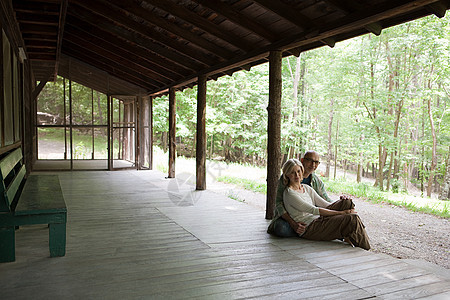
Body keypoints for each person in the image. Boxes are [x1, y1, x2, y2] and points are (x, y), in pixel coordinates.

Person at [280, 158, 370, 250]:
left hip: (319, 219)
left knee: (347, 202)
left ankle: (350, 237)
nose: (297, 175)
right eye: (292, 172)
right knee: (352, 219)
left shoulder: (306, 188)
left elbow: (325, 205)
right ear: (287, 174)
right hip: (309, 228)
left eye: (298, 171)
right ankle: (366, 250)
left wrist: (341, 202)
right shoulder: (290, 193)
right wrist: (343, 213)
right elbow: (314, 210)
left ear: (302, 170)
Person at [267, 150, 331, 237]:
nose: (313, 165)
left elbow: (325, 199)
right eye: (310, 161)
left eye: (316, 162)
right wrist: (293, 223)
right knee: (281, 228)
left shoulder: (316, 181)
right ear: (302, 160)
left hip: (309, 216)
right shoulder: (286, 179)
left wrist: (340, 204)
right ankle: (303, 230)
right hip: (288, 217)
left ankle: (305, 230)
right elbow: (278, 203)